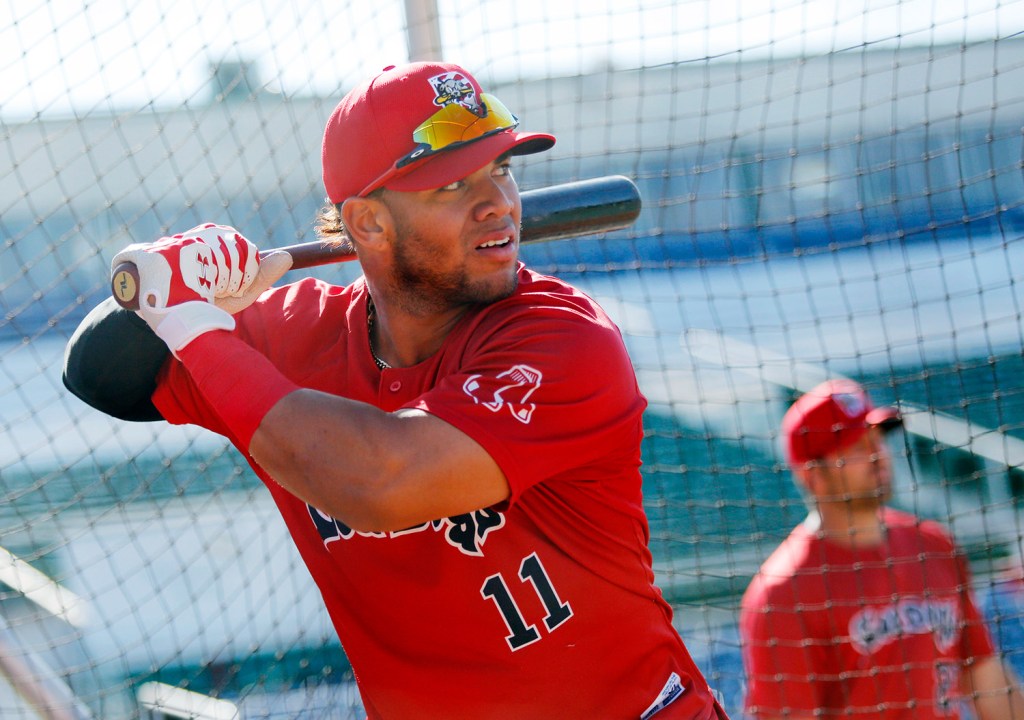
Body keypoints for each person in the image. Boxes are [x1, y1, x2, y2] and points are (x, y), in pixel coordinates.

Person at [62, 62, 727, 719]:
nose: (499, 203)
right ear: (369, 224)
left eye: (500, 169)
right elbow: (98, 373)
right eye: (453, 184)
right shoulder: (300, 332)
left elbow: (382, 481)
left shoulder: (562, 337)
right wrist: (182, 277)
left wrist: (193, 325)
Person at [739, 379, 1024, 719]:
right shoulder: (783, 592)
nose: (877, 455)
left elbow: (984, 675)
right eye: (856, 447)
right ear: (812, 474)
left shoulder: (934, 545)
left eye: (876, 439)